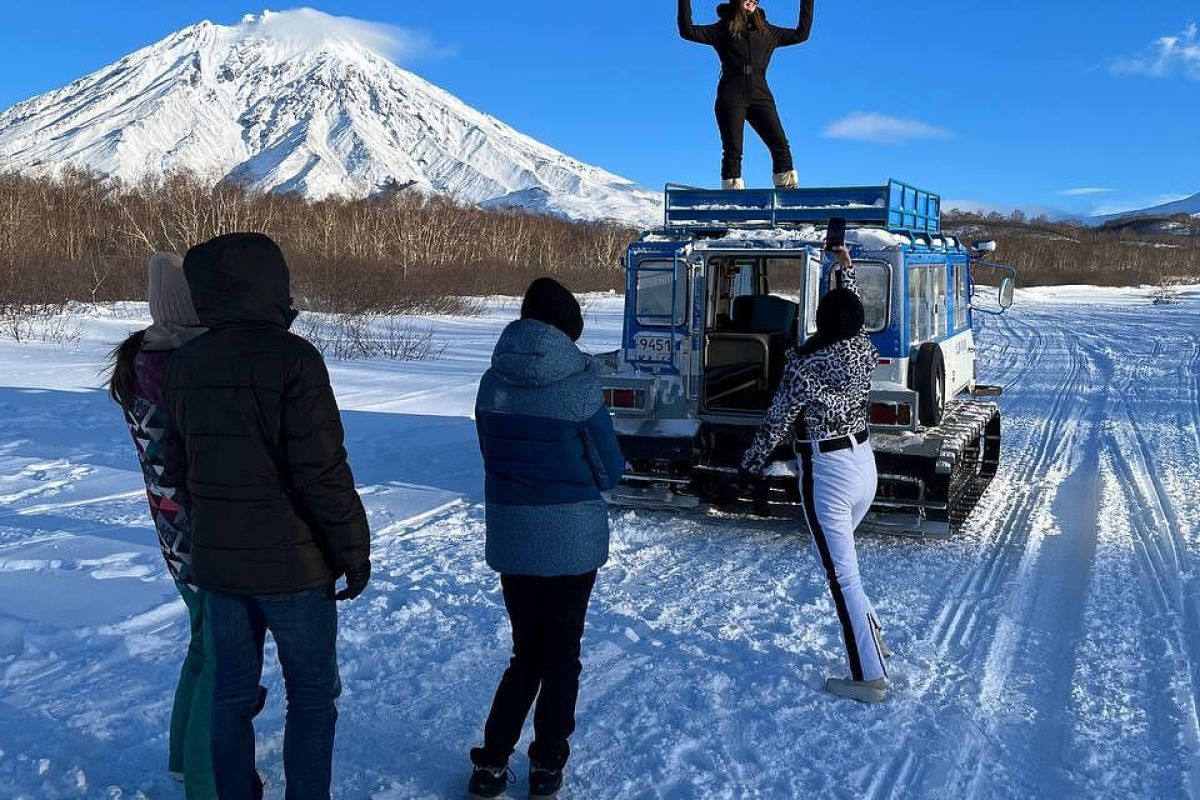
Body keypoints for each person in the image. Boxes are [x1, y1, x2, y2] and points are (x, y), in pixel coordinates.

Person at [161, 233, 371, 800]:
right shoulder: (294, 359)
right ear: (271, 284)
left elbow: (178, 467)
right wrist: (353, 549)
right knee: (310, 695)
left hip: (221, 565)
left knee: (229, 695)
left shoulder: (186, 362)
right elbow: (322, 469)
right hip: (294, 567)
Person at [467, 278, 626, 800]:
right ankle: (546, 764)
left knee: (525, 653)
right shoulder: (579, 385)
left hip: (513, 535)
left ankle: (491, 761)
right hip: (570, 540)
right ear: (568, 329)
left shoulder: (493, 382)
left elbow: (491, 453)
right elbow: (609, 470)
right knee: (561, 655)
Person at [740, 244, 891, 703]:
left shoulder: (805, 367)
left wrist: (749, 466)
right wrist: (845, 269)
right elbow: (852, 313)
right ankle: (873, 643)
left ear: (822, 323)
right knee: (848, 570)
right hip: (865, 464)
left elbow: (777, 421)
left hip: (827, 473)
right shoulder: (863, 348)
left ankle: (869, 676)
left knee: (842, 576)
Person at [109, 253, 215, 799]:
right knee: (220, 663)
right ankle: (205, 781)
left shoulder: (141, 360)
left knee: (203, 648)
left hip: (174, 538)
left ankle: (181, 759)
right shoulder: (183, 368)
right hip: (208, 536)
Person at [678, 0, 815, 190]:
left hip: (761, 95)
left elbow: (802, 34)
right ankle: (734, 202)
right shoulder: (723, 29)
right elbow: (687, 31)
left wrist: (807, 2)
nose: (752, 0)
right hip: (731, 95)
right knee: (733, 150)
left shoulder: (768, 32)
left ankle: (787, 197)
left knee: (781, 146)